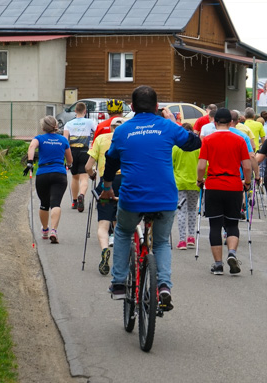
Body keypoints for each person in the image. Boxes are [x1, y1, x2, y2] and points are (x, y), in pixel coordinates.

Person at [102, 86, 201, 310]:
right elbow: (195, 143)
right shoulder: (167, 127)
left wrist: (107, 187)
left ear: (132, 107)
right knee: (162, 241)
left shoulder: (122, 131)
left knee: (124, 231)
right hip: (165, 197)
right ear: (157, 107)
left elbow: (111, 162)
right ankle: (164, 286)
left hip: (132, 198)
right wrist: (172, 120)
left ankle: (118, 283)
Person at [197, 108, 252, 274]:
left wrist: (200, 180)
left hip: (214, 184)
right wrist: (247, 183)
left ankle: (218, 264)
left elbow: (201, 166)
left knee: (215, 225)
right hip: (234, 184)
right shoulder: (240, 139)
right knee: (232, 223)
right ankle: (232, 253)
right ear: (231, 122)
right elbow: (247, 166)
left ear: (214, 122)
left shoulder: (208, 139)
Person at [85, 116, 125, 275]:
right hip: (128, 181)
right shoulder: (129, 139)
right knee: (125, 220)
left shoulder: (101, 138)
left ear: (111, 127)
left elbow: (88, 166)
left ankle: (104, 249)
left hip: (106, 182)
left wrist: (92, 173)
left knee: (103, 223)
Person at [24, 115, 73, 244]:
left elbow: (31, 147)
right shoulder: (63, 140)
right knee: (55, 203)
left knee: (44, 204)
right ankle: (54, 231)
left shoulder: (39, 138)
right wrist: (69, 165)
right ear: (56, 126)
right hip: (59, 174)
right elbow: (70, 160)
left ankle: (45, 230)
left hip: (43, 174)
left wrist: (30, 162)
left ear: (43, 127)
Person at [172, 122, 200, 250]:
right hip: (195, 183)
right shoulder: (198, 148)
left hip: (180, 183)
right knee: (192, 210)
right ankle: (191, 238)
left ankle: (182, 240)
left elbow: (171, 164)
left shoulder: (176, 147)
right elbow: (204, 164)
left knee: (181, 211)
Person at [64, 101, 94, 212]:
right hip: (85, 151)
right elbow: (97, 132)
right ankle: (82, 194)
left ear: (75, 111)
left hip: (72, 152)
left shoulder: (69, 123)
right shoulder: (90, 121)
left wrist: (66, 156)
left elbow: (65, 139)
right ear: (85, 111)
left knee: (75, 177)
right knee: (84, 177)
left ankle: (75, 201)